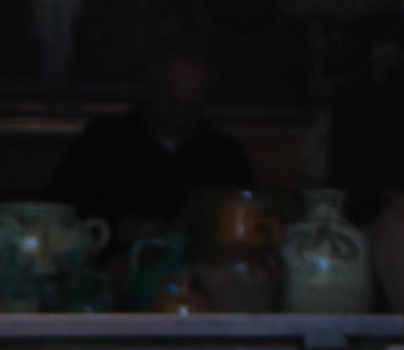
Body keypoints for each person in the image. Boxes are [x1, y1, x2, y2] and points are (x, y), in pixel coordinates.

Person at [50, 46, 258, 240]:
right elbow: (62, 211)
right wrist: (120, 228)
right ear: (153, 92)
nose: (182, 116)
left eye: (194, 106)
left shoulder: (224, 155)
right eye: (174, 103)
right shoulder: (101, 142)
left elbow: (246, 219)